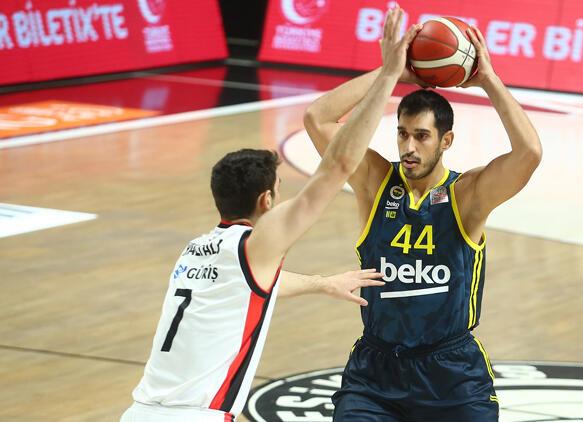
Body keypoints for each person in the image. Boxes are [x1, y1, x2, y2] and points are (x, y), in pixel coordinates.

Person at [120, 10, 421, 422]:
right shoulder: (257, 244)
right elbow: (337, 166)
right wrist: (388, 76)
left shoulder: (198, 251)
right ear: (266, 200)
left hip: (139, 411)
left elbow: (257, 284)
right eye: (279, 190)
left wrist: (321, 283)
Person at [304, 12, 542, 421]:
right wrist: (391, 74)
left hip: (451, 374)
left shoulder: (467, 194)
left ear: (446, 140)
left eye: (421, 136)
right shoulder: (376, 183)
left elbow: (529, 153)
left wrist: (488, 80)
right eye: (402, 133)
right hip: (376, 372)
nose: (409, 147)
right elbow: (317, 118)